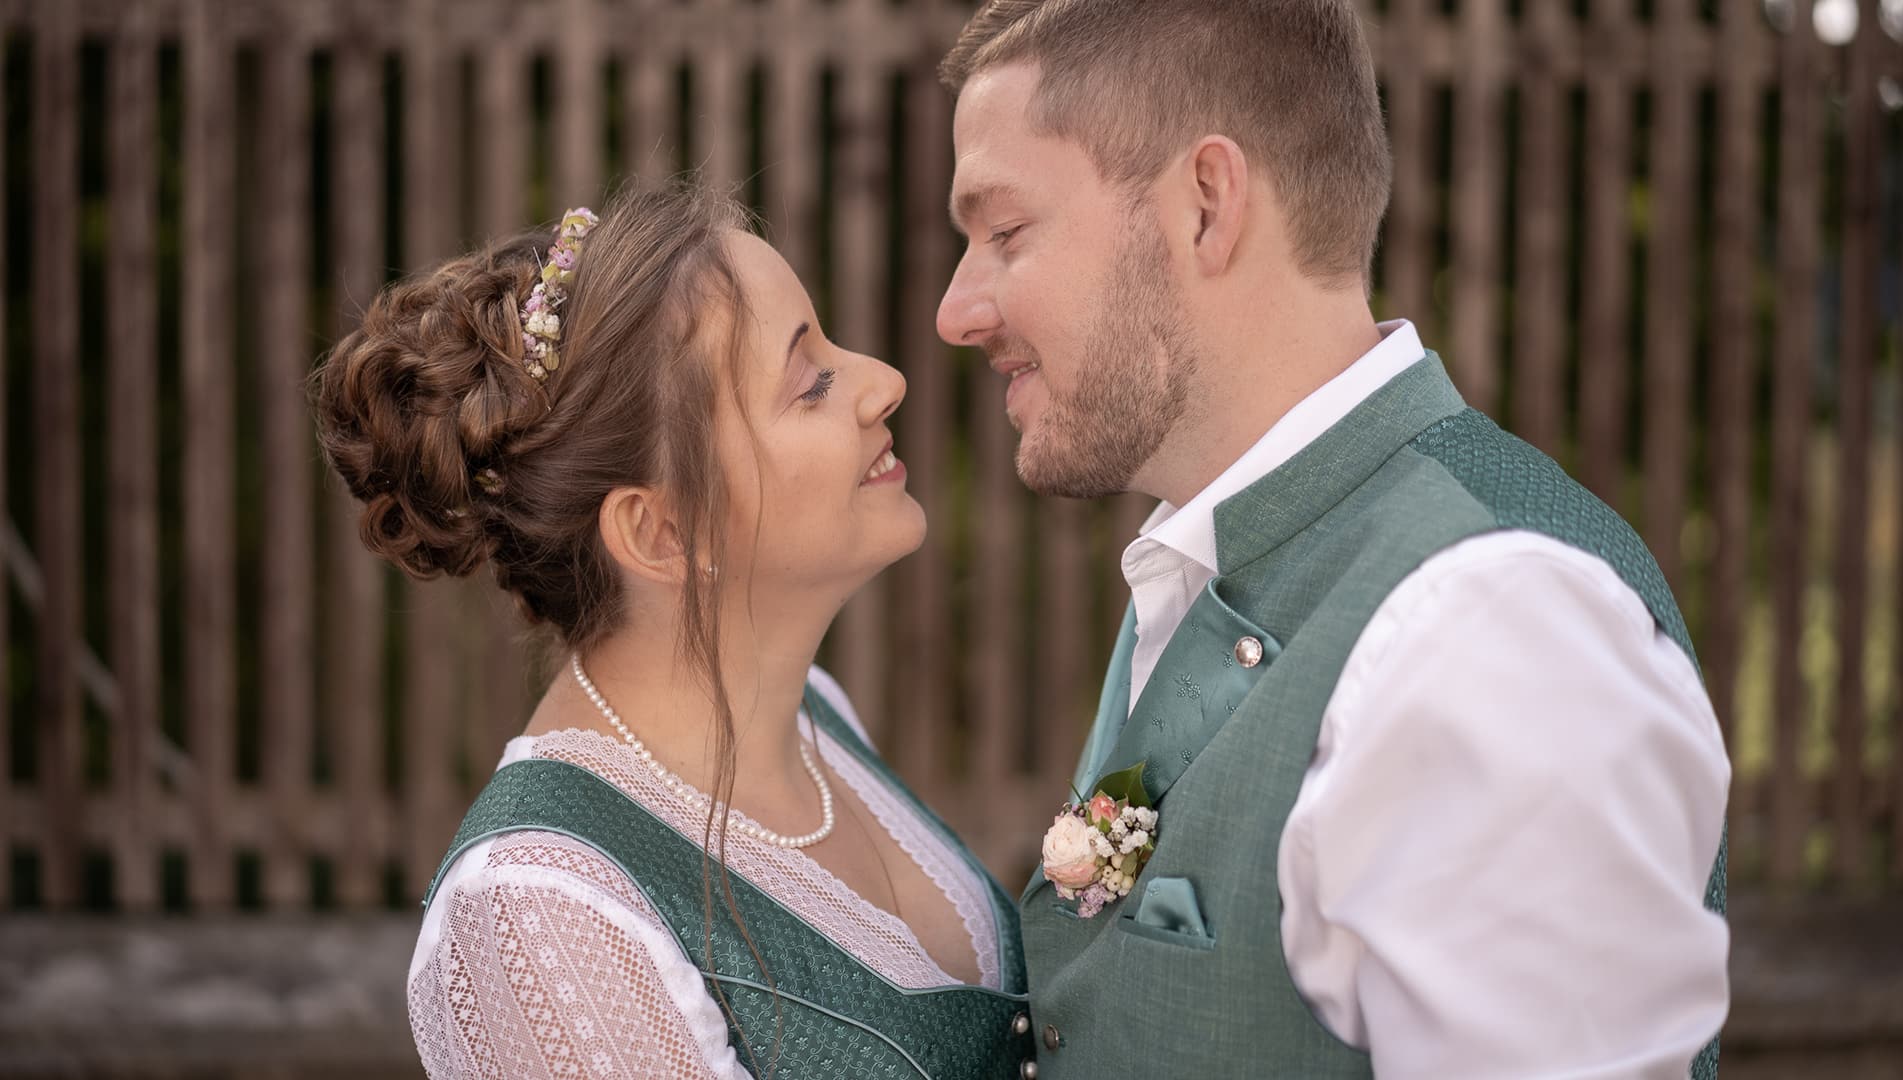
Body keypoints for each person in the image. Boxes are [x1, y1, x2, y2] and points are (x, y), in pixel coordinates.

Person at [935, 2, 1731, 1077]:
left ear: (1206, 206)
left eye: (1004, 232)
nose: (958, 310)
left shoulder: (1493, 627)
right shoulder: (1212, 559)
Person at [313, 182, 1034, 1078]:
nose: (884, 381)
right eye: (810, 382)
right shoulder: (540, 914)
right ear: (660, 532)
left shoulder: (815, 714)